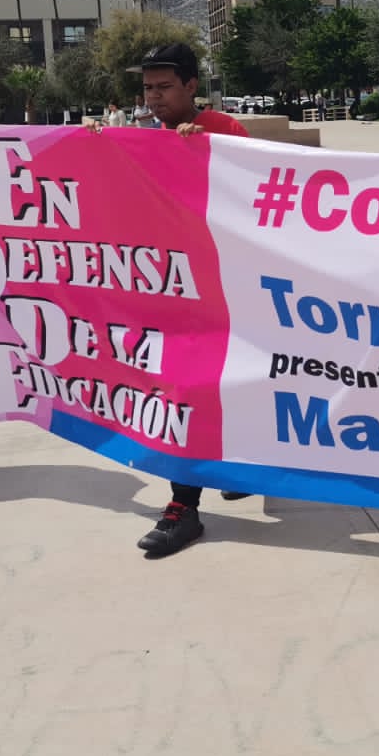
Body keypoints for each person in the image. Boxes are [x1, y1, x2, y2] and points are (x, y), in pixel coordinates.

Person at [119, 43, 254, 559]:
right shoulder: (141, 141)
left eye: (164, 87)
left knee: (233, 384)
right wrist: (91, 151)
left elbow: (252, 198)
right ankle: (183, 506)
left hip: (227, 289)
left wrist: (209, 155)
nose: (153, 97)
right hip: (170, 291)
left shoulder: (226, 131)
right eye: (147, 87)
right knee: (181, 390)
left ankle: (237, 462)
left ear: (192, 86)